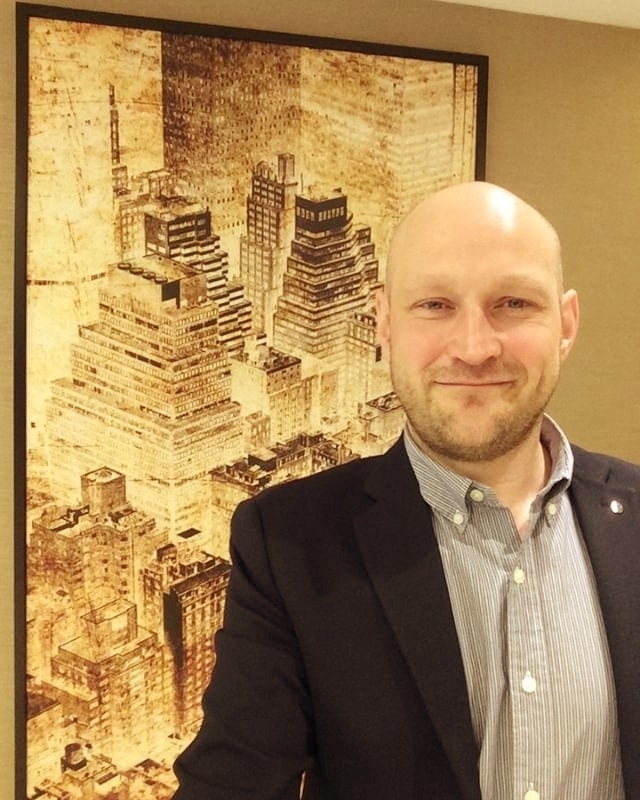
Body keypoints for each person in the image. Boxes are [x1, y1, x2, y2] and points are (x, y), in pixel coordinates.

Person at [172, 182, 639, 800]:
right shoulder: (289, 546)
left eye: (514, 303)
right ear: (385, 322)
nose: (474, 347)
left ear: (566, 324)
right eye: (435, 305)